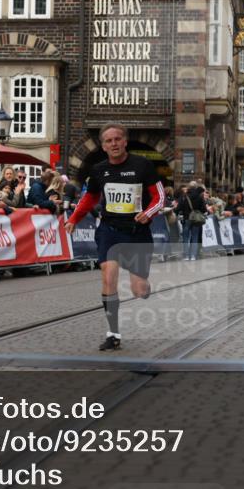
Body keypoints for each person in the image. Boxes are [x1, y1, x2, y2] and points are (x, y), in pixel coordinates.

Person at [65, 124, 164, 351]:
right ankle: (113, 333)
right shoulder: (99, 170)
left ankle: (143, 283)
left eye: (118, 139)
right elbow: (89, 198)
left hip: (137, 232)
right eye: (109, 141)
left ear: (125, 141)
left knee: (139, 291)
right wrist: (74, 219)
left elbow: (159, 197)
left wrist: (148, 213)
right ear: (103, 146)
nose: (114, 144)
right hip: (110, 231)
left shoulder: (142, 165)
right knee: (108, 278)